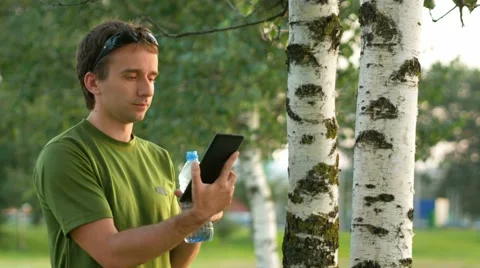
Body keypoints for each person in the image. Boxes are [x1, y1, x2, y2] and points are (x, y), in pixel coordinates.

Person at [33, 19, 239, 268]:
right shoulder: (67, 154)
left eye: (152, 77)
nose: (147, 90)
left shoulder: (158, 157)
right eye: (131, 77)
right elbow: (111, 254)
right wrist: (195, 215)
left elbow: (173, 263)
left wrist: (198, 219)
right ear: (93, 82)